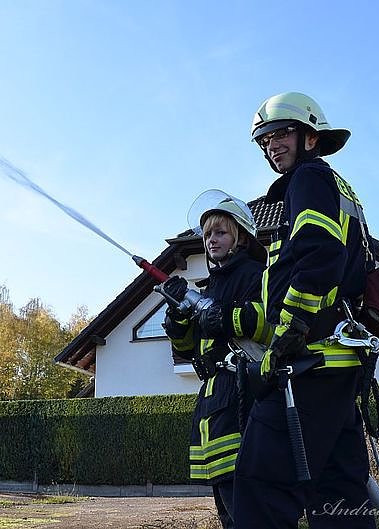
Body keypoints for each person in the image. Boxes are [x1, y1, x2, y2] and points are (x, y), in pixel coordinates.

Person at [197, 92, 377, 528]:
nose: (272, 145)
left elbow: (318, 257)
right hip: (339, 361)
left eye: (281, 134)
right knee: (340, 494)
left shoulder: (309, 178)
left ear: (310, 137)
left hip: (310, 361)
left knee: (260, 484)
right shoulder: (334, 184)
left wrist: (286, 336)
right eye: (264, 140)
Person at [161, 191, 267, 529]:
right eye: (207, 234)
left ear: (239, 235)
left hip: (243, 395)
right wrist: (177, 316)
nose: (211, 240)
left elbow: (270, 321)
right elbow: (188, 347)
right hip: (215, 401)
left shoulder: (256, 274)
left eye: (219, 232)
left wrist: (227, 317)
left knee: (248, 504)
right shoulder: (211, 287)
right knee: (227, 502)